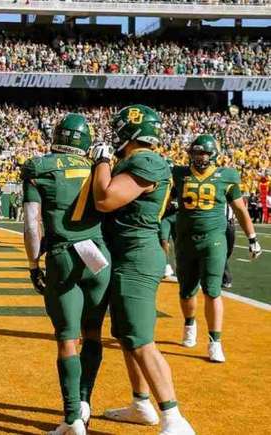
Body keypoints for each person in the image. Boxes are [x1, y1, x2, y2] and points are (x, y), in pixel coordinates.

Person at [90, 105, 194, 435]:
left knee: (141, 339)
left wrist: (102, 162)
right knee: (126, 336)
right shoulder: (136, 161)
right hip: (124, 254)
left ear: (130, 132)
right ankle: (141, 404)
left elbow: (105, 199)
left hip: (137, 255)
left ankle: (175, 418)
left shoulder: (147, 160)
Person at [23, 114, 110, 435]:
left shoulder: (38, 167)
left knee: (66, 340)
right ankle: (86, 400)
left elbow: (32, 224)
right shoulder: (99, 166)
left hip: (63, 255)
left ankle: (73, 417)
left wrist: (33, 264)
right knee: (93, 334)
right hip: (99, 256)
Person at [172, 134, 261, 362]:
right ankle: (190, 324)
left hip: (214, 239)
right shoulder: (179, 174)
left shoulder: (227, 175)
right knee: (186, 290)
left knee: (212, 290)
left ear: (213, 155)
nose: (199, 156)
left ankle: (215, 342)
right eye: (196, 152)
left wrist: (252, 237)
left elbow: (240, 209)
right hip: (184, 239)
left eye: (203, 152)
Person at [159, 158, 179, 282]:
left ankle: (181, 267)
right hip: (165, 217)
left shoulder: (179, 183)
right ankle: (165, 265)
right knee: (163, 240)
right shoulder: (160, 182)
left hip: (177, 216)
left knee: (179, 244)